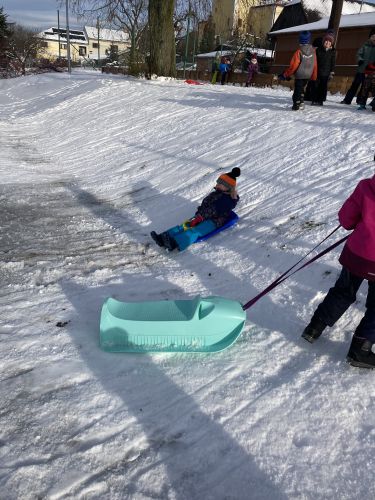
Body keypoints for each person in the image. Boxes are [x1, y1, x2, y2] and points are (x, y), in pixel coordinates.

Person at [301, 155, 375, 368]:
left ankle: (314, 327)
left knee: (343, 291)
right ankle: (360, 349)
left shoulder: (366, 186)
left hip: (357, 256)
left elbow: (346, 218)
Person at [150, 168, 241, 252]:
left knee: (195, 230)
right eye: (218, 183)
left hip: (214, 221)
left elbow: (213, 210)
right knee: (184, 225)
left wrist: (200, 218)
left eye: (221, 184)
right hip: (202, 216)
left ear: (228, 187)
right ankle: (163, 238)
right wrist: (198, 214)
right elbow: (205, 205)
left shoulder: (227, 200)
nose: (217, 185)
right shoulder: (216, 193)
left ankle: (174, 242)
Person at [278, 31, 317, 110]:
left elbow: (293, 66)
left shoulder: (298, 52)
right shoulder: (313, 52)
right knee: (302, 88)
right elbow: (315, 65)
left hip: (300, 75)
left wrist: (285, 74)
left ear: (300, 40)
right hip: (308, 75)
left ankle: (296, 104)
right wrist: (314, 76)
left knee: (297, 90)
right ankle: (301, 101)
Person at [341, 27, 375, 105]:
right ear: (370, 37)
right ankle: (347, 100)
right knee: (354, 85)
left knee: (364, 87)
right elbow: (358, 54)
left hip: (369, 72)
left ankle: (360, 101)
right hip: (361, 70)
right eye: (373, 36)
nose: (374, 38)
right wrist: (359, 60)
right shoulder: (365, 45)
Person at [311, 31, 336, 106]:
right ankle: (314, 99)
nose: (327, 43)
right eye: (326, 41)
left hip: (326, 73)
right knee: (315, 86)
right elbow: (314, 60)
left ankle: (320, 100)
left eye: (329, 42)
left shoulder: (332, 52)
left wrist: (331, 72)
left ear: (331, 43)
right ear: (323, 42)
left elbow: (333, 63)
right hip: (317, 71)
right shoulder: (318, 50)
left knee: (323, 86)